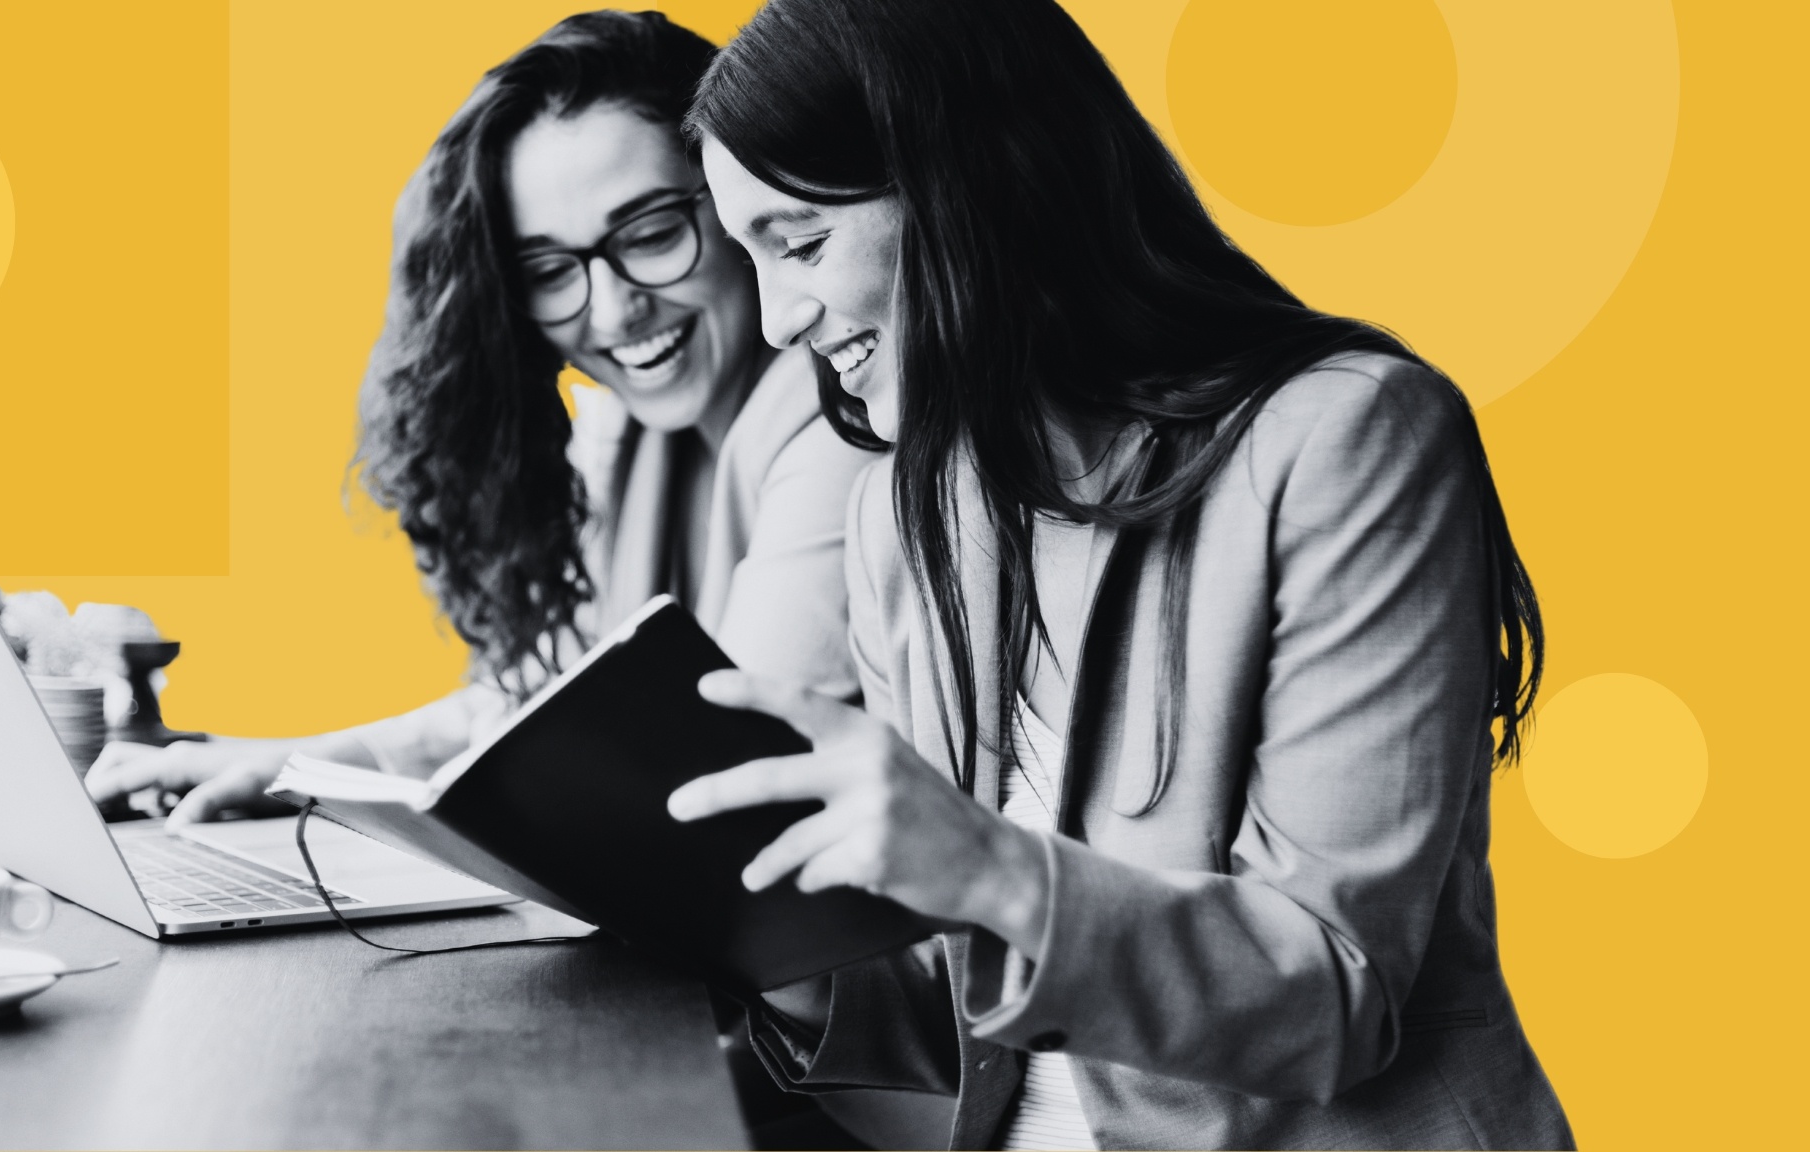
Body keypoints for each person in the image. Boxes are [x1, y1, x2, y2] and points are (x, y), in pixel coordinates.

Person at [666, 0, 1575, 1147]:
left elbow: (1333, 995)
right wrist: (771, 956)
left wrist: (993, 869)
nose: (777, 320)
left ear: (973, 186)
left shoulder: (1348, 439)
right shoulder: (911, 516)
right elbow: (974, 1009)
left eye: (798, 245)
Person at [87, 10, 878, 823]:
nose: (612, 312)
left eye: (649, 234)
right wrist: (294, 767)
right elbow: (525, 706)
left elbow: (712, 770)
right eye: (547, 269)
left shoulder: (841, 419)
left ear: (736, 200)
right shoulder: (632, 439)